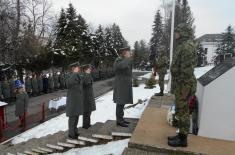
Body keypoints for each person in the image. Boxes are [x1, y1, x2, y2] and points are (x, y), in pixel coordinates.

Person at [168, 23, 197, 147]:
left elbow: (187, 70)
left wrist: (184, 89)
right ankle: (180, 135)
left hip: (184, 84)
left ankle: (183, 139)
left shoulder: (187, 47)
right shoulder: (183, 45)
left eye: (177, 31)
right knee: (180, 110)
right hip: (181, 84)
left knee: (183, 112)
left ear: (183, 32)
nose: (175, 33)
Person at [113, 47, 133, 127]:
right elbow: (121, 66)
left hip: (125, 84)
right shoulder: (119, 60)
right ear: (124, 52)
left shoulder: (124, 59)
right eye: (128, 52)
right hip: (120, 85)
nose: (130, 53)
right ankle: (119, 121)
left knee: (122, 103)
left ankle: (121, 118)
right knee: (120, 103)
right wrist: (127, 59)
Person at [66, 62, 83, 139]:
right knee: (72, 117)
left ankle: (75, 131)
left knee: (77, 116)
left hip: (78, 100)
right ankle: (71, 133)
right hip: (72, 100)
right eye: (76, 67)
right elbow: (69, 83)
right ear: (72, 68)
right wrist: (74, 73)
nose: (78, 68)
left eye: (78, 67)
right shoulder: (69, 76)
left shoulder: (77, 75)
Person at [82, 64, 96, 129]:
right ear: (85, 70)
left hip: (90, 96)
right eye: (88, 69)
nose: (90, 70)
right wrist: (87, 75)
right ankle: (85, 125)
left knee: (89, 111)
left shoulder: (89, 75)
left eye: (90, 69)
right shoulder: (83, 76)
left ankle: (88, 124)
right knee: (86, 112)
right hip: (85, 97)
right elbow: (84, 83)